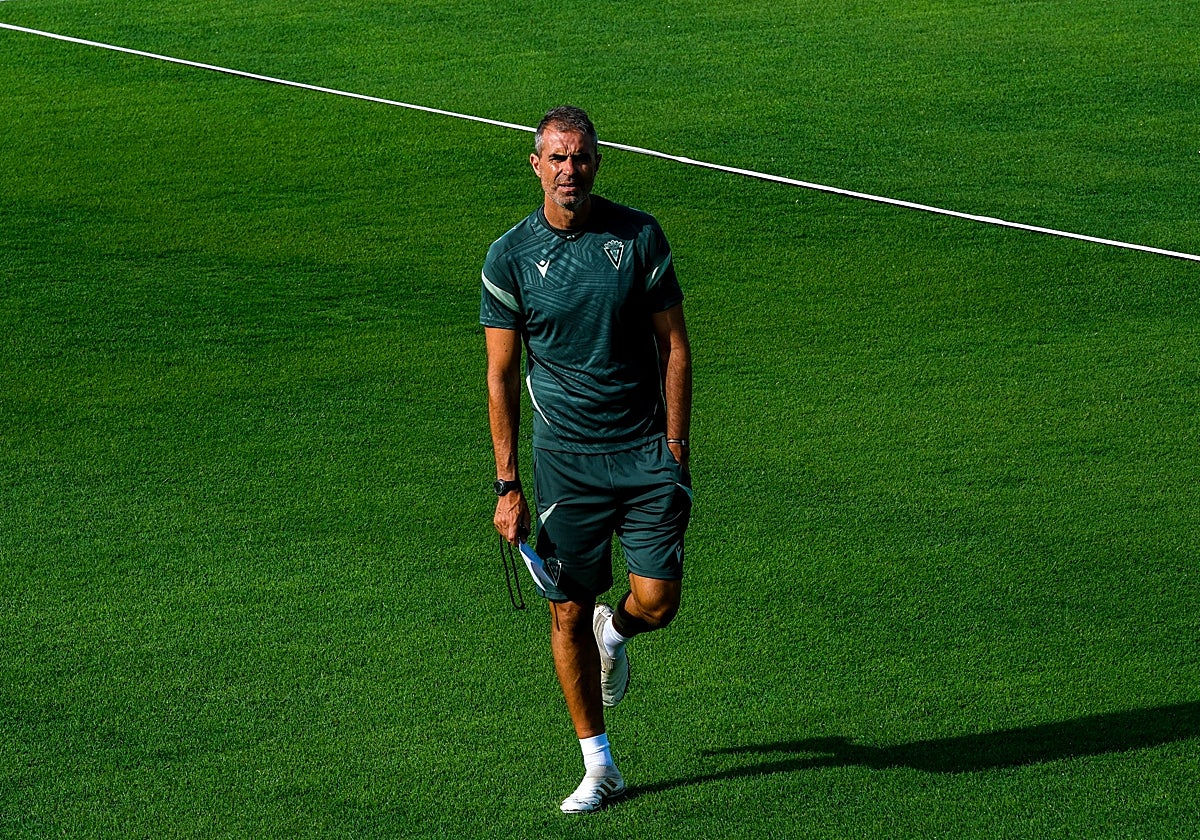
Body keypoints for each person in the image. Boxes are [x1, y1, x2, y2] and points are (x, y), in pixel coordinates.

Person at [480, 105, 693, 814]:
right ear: (536, 165)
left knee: (659, 601)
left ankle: (620, 629)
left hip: (642, 451)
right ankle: (599, 764)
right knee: (567, 612)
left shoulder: (637, 236)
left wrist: (676, 448)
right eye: (559, 158)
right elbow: (502, 376)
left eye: (583, 157)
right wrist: (508, 484)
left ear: (598, 162)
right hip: (565, 462)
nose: (571, 170)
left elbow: (676, 346)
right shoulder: (510, 256)